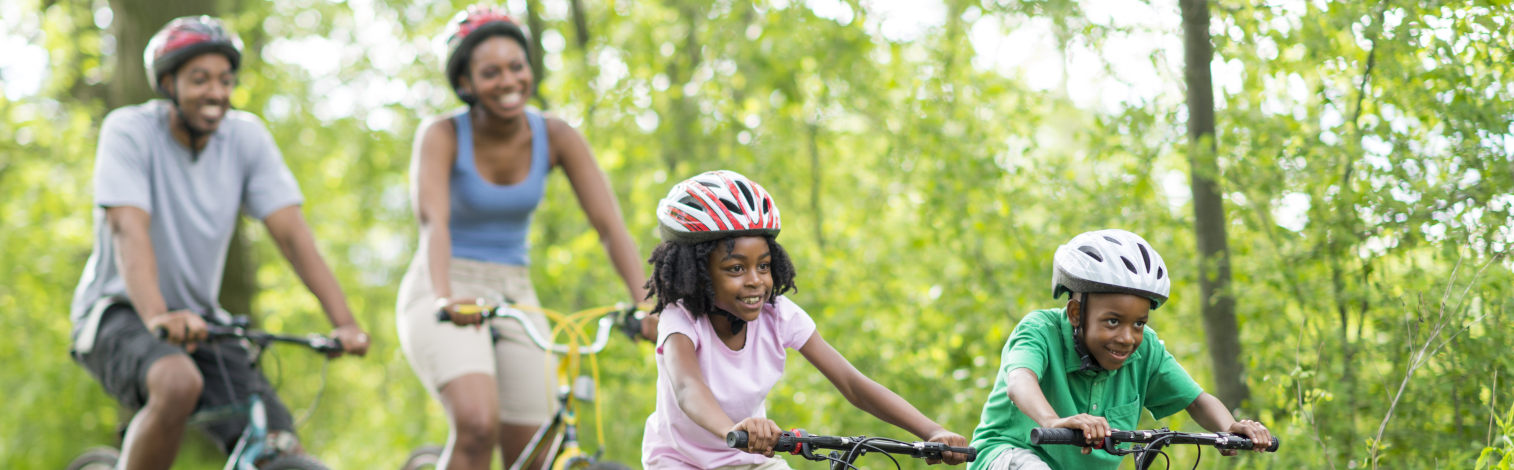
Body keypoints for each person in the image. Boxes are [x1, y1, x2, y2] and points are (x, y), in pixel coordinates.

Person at [67, 15, 370, 469]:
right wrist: (158, 316)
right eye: (200, 79)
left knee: (276, 442)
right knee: (176, 382)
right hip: (119, 312)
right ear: (168, 83)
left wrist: (344, 322)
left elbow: (292, 235)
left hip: (205, 323)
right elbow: (129, 232)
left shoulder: (245, 138)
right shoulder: (128, 131)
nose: (216, 92)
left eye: (225, 81)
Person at [395, 6, 656, 470]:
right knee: (477, 425)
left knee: (536, 450)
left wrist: (646, 304)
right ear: (466, 83)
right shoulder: (441, 135)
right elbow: (433, 222)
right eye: (490, 72)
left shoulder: (556, 135)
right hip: (444, 282)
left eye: (517, 67)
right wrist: (445, 296)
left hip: (516, 290)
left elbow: (609, 227)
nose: (508, 81)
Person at [641, 170, 971, 470]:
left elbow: (853, 384)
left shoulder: (777, 314)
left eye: (764, 265)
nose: (756, 280)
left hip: (747, 459)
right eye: (736, 269)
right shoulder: (680, 319)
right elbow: (687, 388)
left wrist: (932, 430)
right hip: (678, 462)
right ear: (697, 275)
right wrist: (732, 429)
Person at [966, 229, 1273, 470]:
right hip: (1007, 456)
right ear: (1075, 313)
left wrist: (1229, 427)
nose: (1127, 337)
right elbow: (1020, 382)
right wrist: (1051, 421)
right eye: (1112, 321)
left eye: (1139, 323)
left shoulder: (1145, 350)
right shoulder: (1040, 330)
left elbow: (1196, 400)